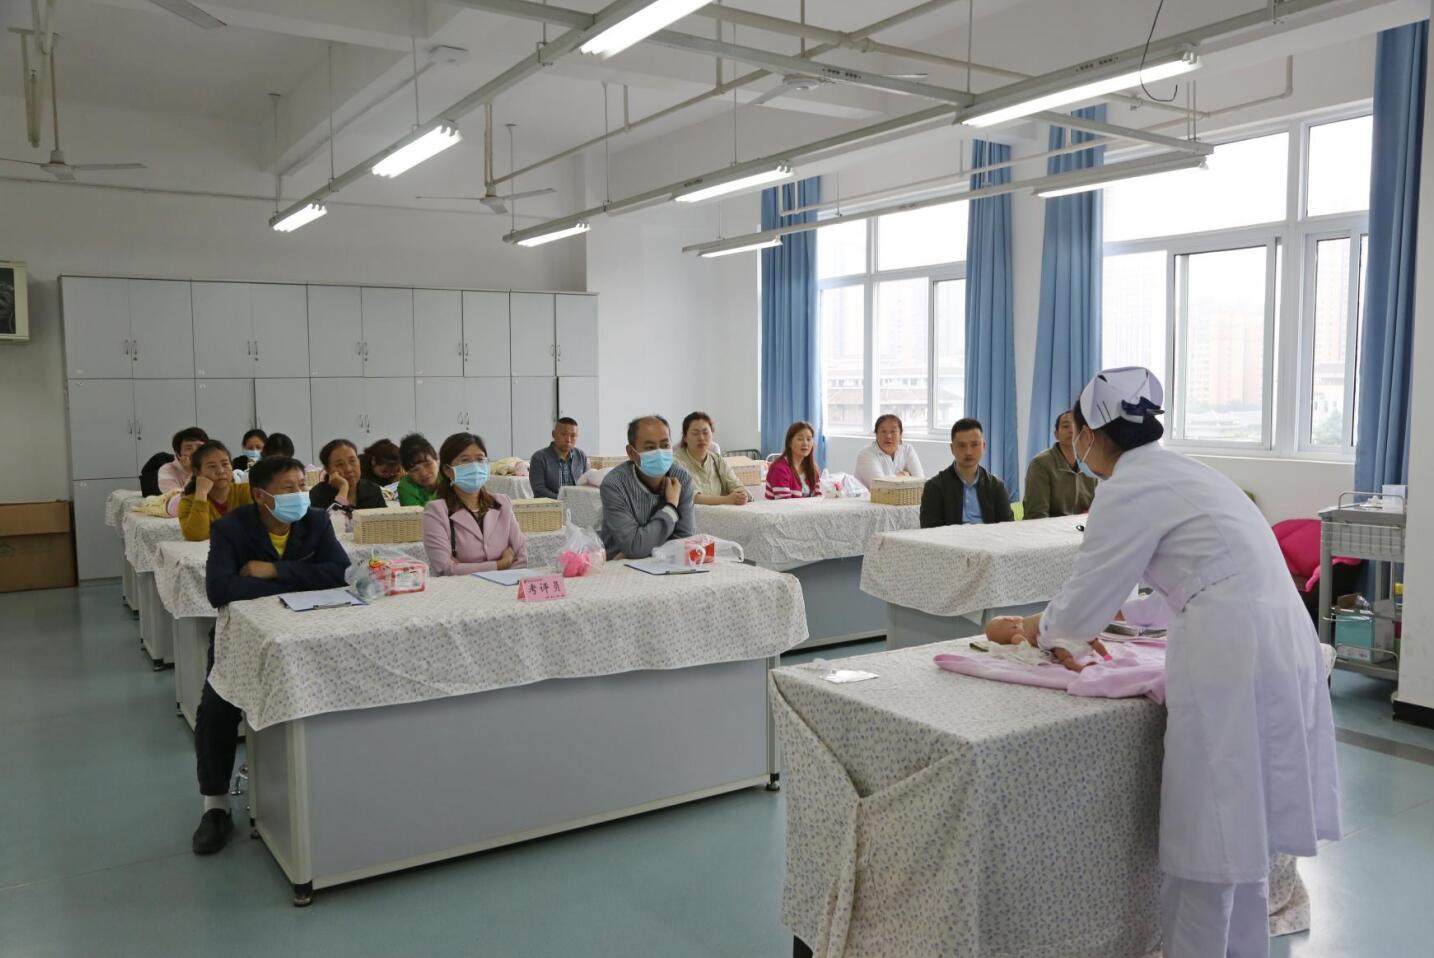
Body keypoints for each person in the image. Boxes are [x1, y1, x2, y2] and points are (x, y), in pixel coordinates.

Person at [993, 367, 1339, 958]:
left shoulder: (1125, 488)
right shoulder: (1186, 473)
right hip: (1281, 639)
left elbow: (1082, 601)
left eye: (1076, 431)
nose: (1074, 443)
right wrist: (1120, 615)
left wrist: (1036, 629)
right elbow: (1194, 577)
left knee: (1208, 838)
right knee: (1246, 833)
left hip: (1232, 651)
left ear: (1092, 434)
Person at [192, 455, 350, 855]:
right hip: (244, 638)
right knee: (215, 709)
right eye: (287, 488)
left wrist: (274, 571)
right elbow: (220, 590)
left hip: (308, 634)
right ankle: (215, 805)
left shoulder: (316, 521)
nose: (299, 494)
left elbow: (340, 572)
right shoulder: (231, 528)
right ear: (261, 495)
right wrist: (303, 581)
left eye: (302, 485)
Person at [421, 432, 527, 575]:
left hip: (507, 584)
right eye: (465, 460)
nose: (475, 466)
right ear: (447, 471)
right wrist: (500, 565)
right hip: (461, 588)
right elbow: (445, 568)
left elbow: (521, 557)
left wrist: (505, 579)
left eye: (480, 459)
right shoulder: (436, 511)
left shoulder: (502, 503)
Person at [600, 415, 695, 559]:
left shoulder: (682, 479)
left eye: (665, 445)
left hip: (664, 563)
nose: (659, 453)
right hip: (617, 563)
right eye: (650, 448)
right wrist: (671, 507)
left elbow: (684, 539)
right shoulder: (614, 485)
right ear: (631, 452)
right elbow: (633, 546)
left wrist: (644, 547)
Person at [919, 418, 1015, 528]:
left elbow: (1008, 528)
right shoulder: (935, 487)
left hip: (988, 538)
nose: (968, 452)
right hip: (950, 539)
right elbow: (930, 530)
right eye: (962, 445)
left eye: (974, 445)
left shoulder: (996, 487)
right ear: (952, 448)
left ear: (983, 446)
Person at [1023, 410, 1098, 519]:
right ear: (1056, 434)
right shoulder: (1040, 464)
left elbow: (1098, 507)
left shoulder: (1092, 463)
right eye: (1066, 426)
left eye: (1077, 426)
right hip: (1048, 528)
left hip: (1082, 527)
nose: (1072, 430)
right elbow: (1037, 515)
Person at [177, 441, 252, 541]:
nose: (221, 471)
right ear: (197, 472)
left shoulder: (247, 491)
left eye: (225, 464)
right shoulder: (188, 502)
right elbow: (196, 535)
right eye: (212, 466)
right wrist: (201, 494)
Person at [674, 412, 749, 505]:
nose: (701, 438)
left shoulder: (717, 460)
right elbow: (691, 498)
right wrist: (727, 499)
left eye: (705, 433)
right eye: (695, 433)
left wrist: (742, 495)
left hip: (721, 513)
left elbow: (737, 486)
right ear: (685, 437)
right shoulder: (676, 463)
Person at [308, 439, 386, 513]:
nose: (348, 469)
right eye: (339, 464)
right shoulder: (318, 494)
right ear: (328, 470)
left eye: (352, 461)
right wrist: (343, 488)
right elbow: (335, 519)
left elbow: (385, 519)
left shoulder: (372, 490)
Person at [853, 414, 925, 487]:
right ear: (876, 434)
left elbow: (921, 482)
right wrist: (904, 476)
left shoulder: (907, 450)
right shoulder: (866, 454)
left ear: (900, 435)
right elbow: (881, 486)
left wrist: (892, 479)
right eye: (883, 431)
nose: (888, 436)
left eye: (893, 431)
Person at [529, 417, 588, 500]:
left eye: (573, 436)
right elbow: (539, 490)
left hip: (578, 503)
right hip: (550, 505)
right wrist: (563, 500)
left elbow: (587, 485)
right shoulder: (539, 458)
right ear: (553, 434)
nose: (568, 440)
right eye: (564, 434)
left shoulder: (581, 456)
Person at [764, 421, 821, 500]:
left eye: (809, 439)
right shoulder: (779, 469)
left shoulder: (813, 469)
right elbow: (785, 504)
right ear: (790, 443)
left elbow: (818, 498)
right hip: (782, 508)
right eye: (800, 439)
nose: (805, 443)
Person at [157, 427, 209, 494]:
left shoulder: (211, 467)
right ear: (178, 453)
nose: (195, 451)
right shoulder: (167, 470)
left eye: (200, 447)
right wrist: (190, 472)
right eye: (188, 448)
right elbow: (177, 498)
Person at [396, 433, 441, 507]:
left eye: (428, 464)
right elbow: (417, 514)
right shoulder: (405, 487)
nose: (424, 473)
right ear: (407, 472)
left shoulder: (449, 476)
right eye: (415, 470)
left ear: (437, 459)